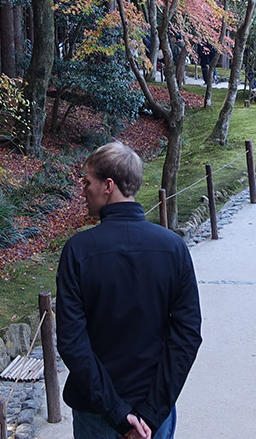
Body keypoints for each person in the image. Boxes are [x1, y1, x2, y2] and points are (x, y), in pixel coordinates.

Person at [57, 142, 202, 439]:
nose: (83, 190)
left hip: (96, 413)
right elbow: (187, 335)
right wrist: (151, 412)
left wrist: (118, 415)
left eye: (87, 182)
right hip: (153, 414)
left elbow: (72, 342)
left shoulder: (78, 251)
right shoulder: (173, 248)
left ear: (108, 186)